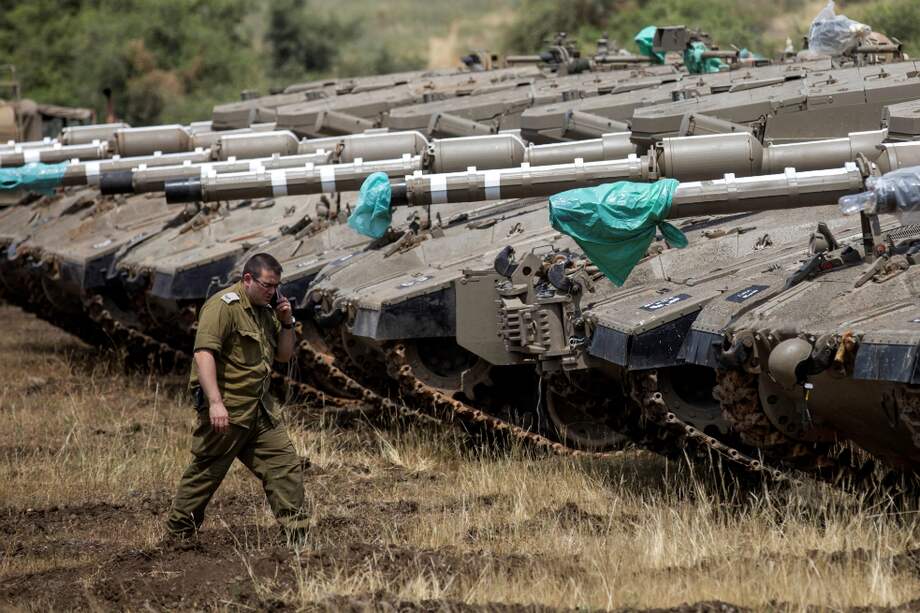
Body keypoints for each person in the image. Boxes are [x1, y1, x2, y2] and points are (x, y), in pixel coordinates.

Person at [165, 253, 309, 544]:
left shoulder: (265, 310)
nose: (272, 291)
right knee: (206, 473)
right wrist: (215, 402)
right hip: (228, 409)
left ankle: (297, 538)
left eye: (276, 286)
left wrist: (287, 322)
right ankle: (177, 536)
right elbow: (204, 353)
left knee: (285, 467)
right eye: (267, 285)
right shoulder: (222, 306)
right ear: (247, 279)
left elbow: (283, 355)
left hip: (260, 409)